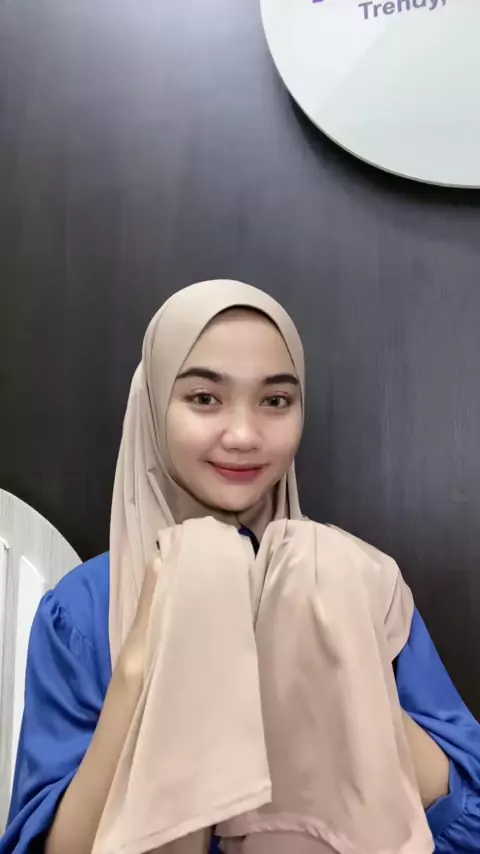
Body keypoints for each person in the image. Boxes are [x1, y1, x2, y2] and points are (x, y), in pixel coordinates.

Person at [1, 280, 480, 854]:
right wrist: (142, 662)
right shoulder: (80, 612)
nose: (244, 435)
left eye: (275, 401)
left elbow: (471, 819)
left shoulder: (359, 585)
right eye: (205, 398)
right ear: (153, 406)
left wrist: (337, 665)